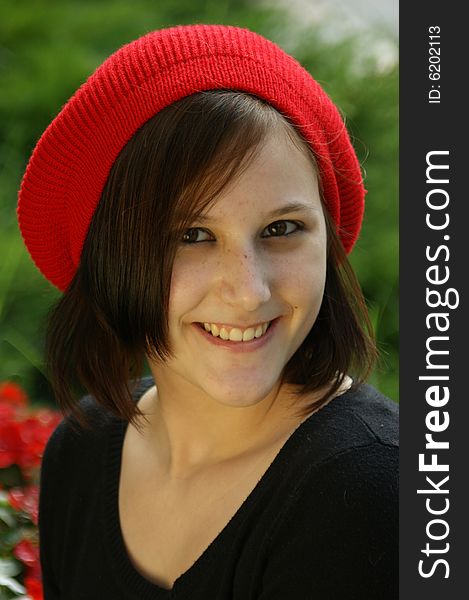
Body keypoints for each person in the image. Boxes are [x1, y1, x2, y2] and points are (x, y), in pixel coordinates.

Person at [17, 24, 398, 599]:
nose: (248, 290)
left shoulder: (375, 492)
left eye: (282, 229)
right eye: (192, 235)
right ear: (110, 256)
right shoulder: (83, 451)